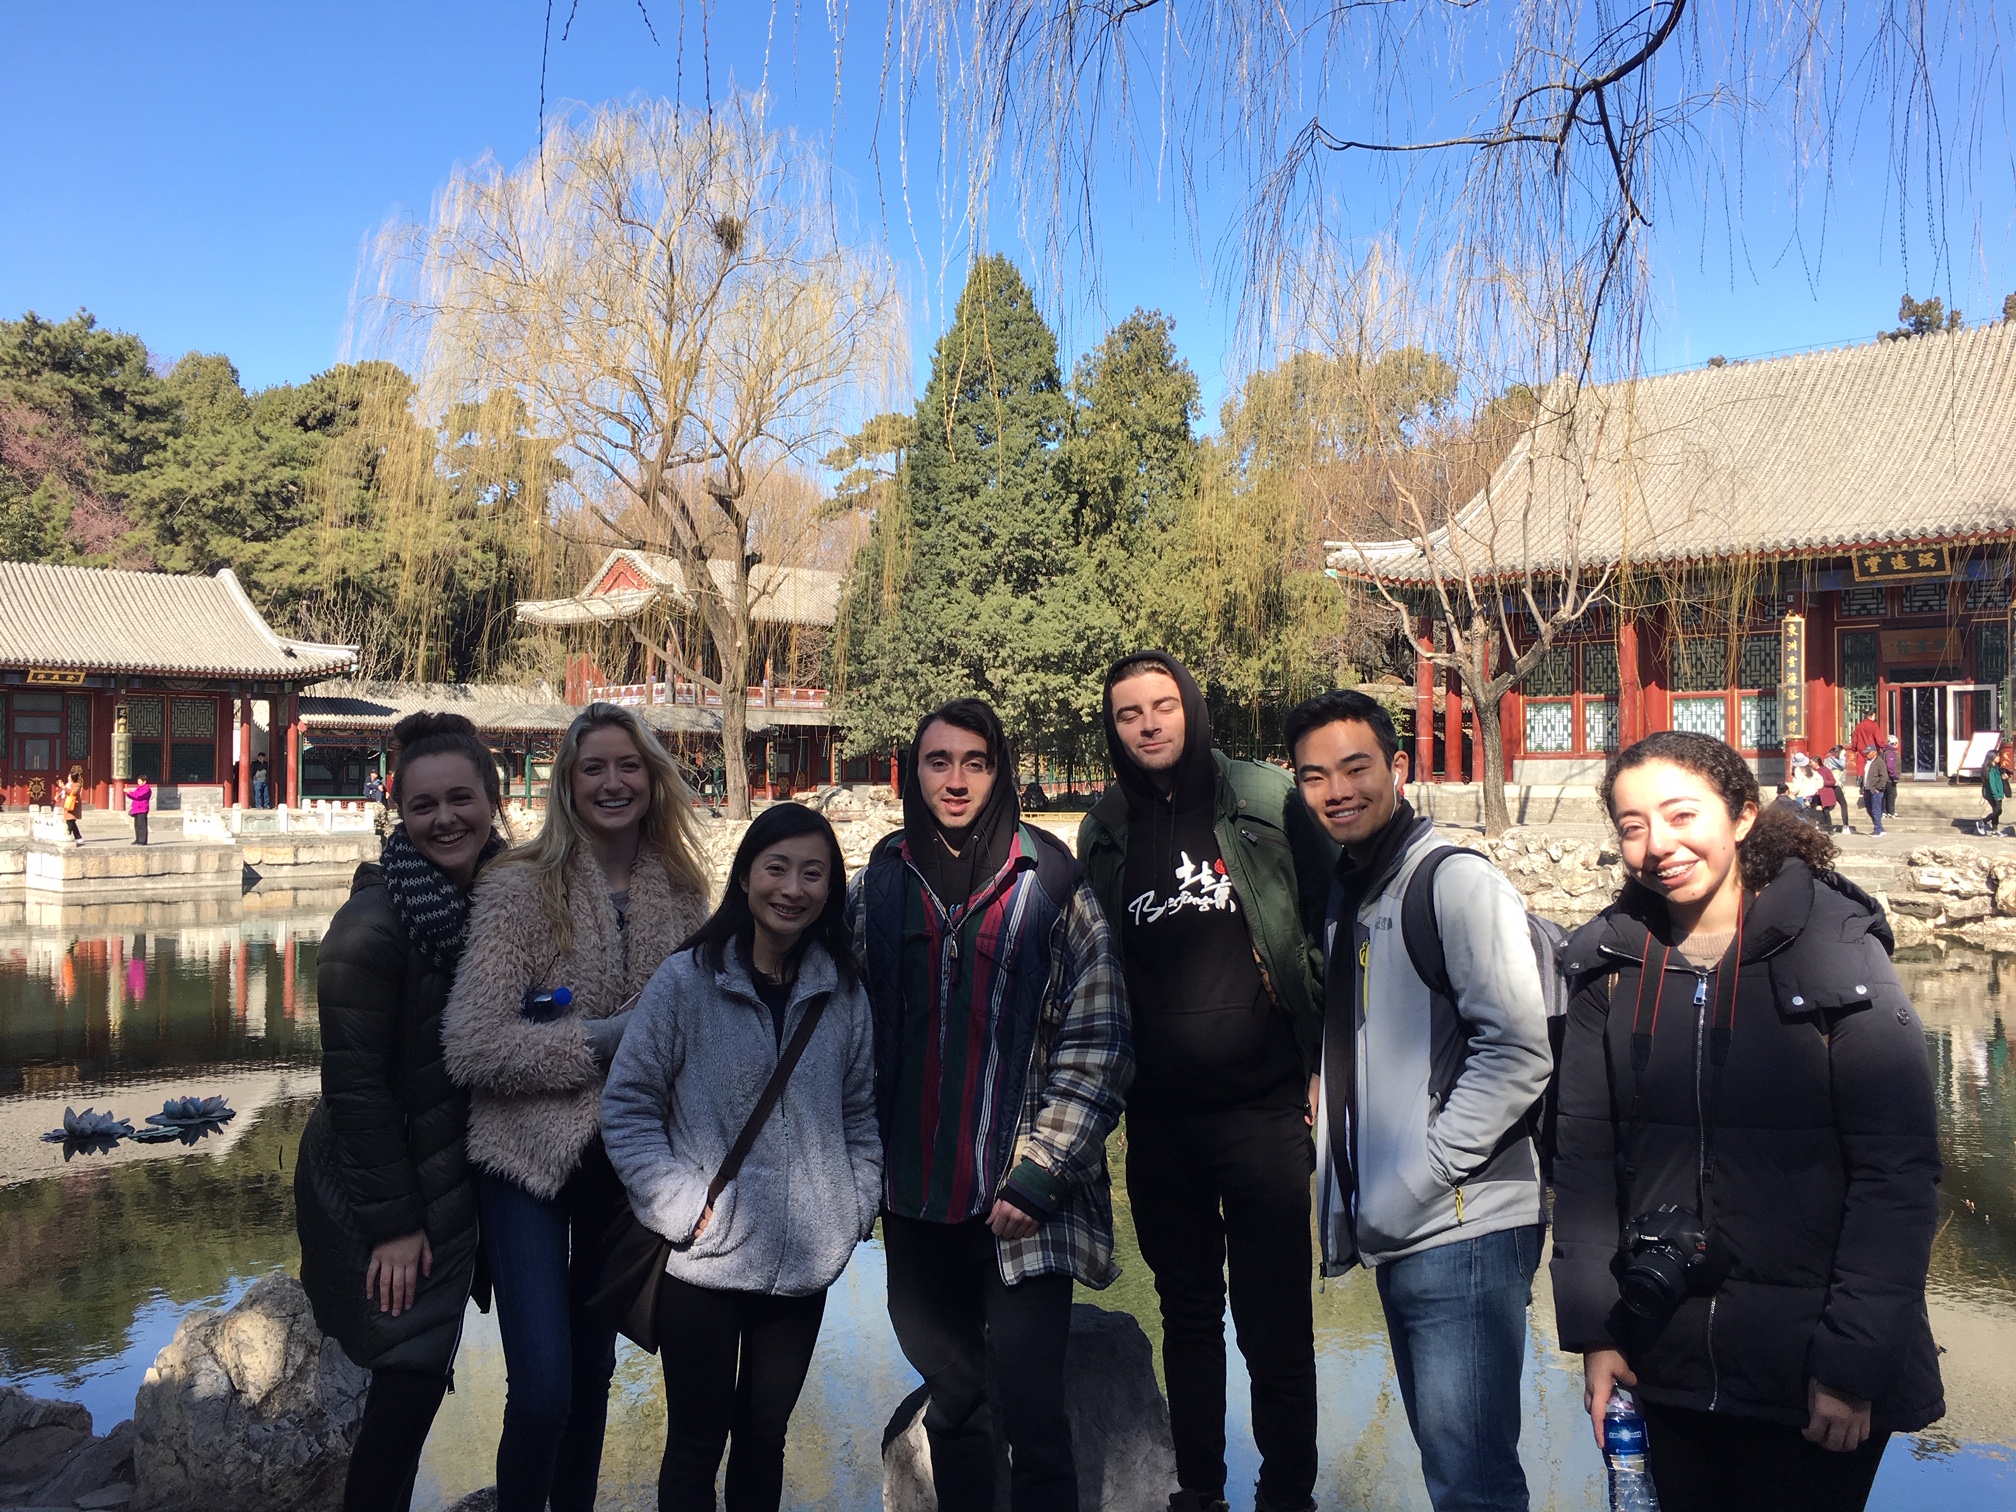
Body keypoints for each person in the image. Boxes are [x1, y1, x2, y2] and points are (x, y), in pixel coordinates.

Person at [1552, 731, 1943, 1512]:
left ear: (1740, 817)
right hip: (1660, 1350)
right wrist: (1598, 1332)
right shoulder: (1609, 969)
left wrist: (1851, 1366)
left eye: (1680, 815)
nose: (1658, 845)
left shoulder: (1834, 955)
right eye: (1633, 826)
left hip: (1812, 1372)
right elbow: (1584, 1165)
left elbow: (1896, 1175)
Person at [847, 698, 1132, 1512]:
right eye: (939, 762)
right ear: (915, 772)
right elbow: (836, 1024)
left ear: (999, 769)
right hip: (913, 1196)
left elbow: (1100, 1036)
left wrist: (1040, 1171)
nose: (957, 779)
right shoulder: (877, 889)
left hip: (1022, 1198)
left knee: (1034, 1408)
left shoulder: (1051, 883)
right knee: (960, 1403)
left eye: (976, 761)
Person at [1286, 689, 1553, 1512]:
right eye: (1315, 776)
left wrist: (1417, 1179)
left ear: (1397, 769)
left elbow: (1517, 1049)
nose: (1338, 790)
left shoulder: (1453, 882)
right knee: (1455, 1472)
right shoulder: (1357, 889)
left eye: (1356, 767)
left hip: (1462, 1224)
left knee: (1471, 1481)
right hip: (1407, 1227)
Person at [444, 703, 713, 1512]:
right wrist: (598, 1039)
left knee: (594, 1375)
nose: (612, 782)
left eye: (628, 766)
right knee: (543, 1390)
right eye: (592, 767)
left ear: (653, 778)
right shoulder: (520, 888)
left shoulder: (685, 893)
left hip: (626, 1168)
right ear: (566, 783)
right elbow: (472, 1043)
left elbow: (699, 1034)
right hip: (524, 1160)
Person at [1077, 652, 1331, 1512]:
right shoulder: (1106, 826)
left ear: (1191, 707)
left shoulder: (1263, 800)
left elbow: (1329, 926)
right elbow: (1100, 961)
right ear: (1111, 729)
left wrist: (1323, 1060)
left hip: (1263, 1115)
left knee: (1274, 1326)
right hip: (1158, 1122)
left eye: (1163, 706)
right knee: (1187, 1317)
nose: (1149, 724)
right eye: (1128, 714)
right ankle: (1199, 1489)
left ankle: (1287, 1491)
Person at [602, 804, 882, 1512]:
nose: (792, 888)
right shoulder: (687, 981)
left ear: (830, 889)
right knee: (698, 1439)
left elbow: (859, 1115)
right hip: (706, 1257)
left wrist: (851, 1209)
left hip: (805, 1260)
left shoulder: (843, 992)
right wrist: (679, 1206)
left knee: (766, 1435)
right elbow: (629, 1105)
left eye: (812, 873)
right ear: (747, 877)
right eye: (777, 868)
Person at [296, 712, 510, 1512]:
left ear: (493, 799)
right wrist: (392, 1226)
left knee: (416, 1379)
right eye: (424, 806)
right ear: (398, 811)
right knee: (407, 1388)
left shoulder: (507, 905)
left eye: (462, 798)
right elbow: (354, 1089)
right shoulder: (370, 928)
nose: (445, 818)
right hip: (383, 1190)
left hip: (455, 1178)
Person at [1859, 742, 1891, 836]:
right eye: (1866, 753)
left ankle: (1877, 830)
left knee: (1876, 809)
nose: (1867, 754)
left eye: (1869, 752)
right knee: (1869, 809)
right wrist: (1862, 787)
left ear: (1874, 752)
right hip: (1867, 788)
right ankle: (1880, 827)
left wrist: (1879, 788)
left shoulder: (1879, 762)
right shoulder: (1867, 762)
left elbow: (1884, 776)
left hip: (1875, 789)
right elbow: (1865, 775)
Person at [127, 773, 152, 847]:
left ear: (144, 781)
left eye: (140, 781)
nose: (138, 782)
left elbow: (139, 796)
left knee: (142, 825)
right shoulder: (138, 788)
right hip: (136, 809)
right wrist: (128, 793)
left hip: (142, 808)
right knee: (137, 825)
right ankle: (138, 839)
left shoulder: (147, 789)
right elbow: (134, 795)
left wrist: (129, 792)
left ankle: (143, 840)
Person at [60, 770, 84, 843]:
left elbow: (73, 792)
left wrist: (64, 787)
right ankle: (76, 836)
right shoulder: (68, 784)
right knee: (69, 821)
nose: (68, 777)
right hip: (68, 804)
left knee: (70, 821)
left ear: (73, 777)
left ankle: (75, 836)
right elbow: (64, 792)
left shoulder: (77, 785)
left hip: (73, 804)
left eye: (69, 776)